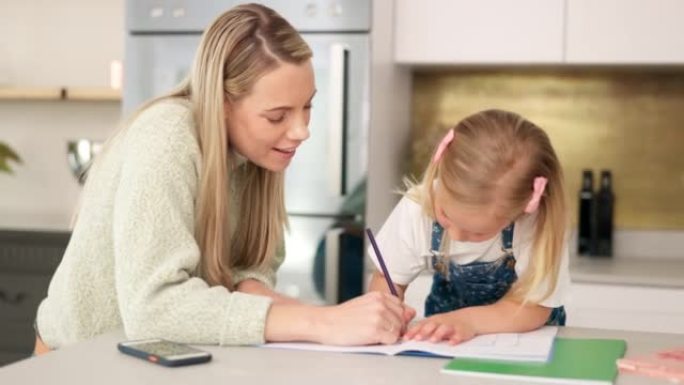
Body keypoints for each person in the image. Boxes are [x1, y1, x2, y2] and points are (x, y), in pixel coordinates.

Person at [34, 3, 411, 353]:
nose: (301, 131)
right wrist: (321, 322)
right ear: (223, 102)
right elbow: (153, 307)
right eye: (277, 116)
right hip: (78, 360)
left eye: (307, 106)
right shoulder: (166, 137)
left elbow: (248, 276)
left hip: (157, 358)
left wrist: (336, 320)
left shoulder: (252, 157)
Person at [368, 109, 569, 345]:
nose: (456, 235)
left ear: (521, 211)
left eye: (478, 232)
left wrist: (469, 322)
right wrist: (387, 315)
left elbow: (534, 307)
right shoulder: (418, 206)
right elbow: (388, 278)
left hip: (525, 341)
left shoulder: (537, 223)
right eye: (445, 215)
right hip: (448, 343)